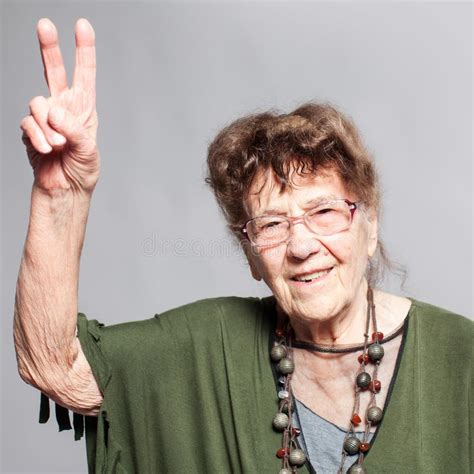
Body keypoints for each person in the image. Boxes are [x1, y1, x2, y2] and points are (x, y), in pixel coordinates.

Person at [14, 18, 471, 474]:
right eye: (271, 224)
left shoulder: (460, 357)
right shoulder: (211, 345)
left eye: (324, 212)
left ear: (369, 228)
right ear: (251, 254)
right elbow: (55, 367)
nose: (301, 245)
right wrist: (62, 194)